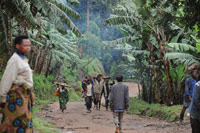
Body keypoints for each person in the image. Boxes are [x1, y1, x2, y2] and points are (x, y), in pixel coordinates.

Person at [0, 35, 34, 132]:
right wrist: (3, 97)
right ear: (17, 46)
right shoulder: (15, 60)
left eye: (29, 45)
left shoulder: (22, 59)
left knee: (23, 122)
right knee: (17, 122)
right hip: (17, 97)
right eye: (25, 45)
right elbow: (7, 78)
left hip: (24, 96)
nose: (28, 48)